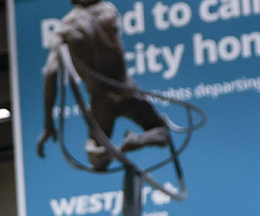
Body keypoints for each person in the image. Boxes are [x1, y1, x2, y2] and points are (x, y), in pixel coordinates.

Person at [34, 0, 170, 170]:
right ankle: (137, 140)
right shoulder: (108, 9)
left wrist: (48, 125)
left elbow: (51, 72)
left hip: (101, 101)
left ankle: (105, 151)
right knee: (162, 133)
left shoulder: (66, 29)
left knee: (98, 161)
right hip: (127, 90)